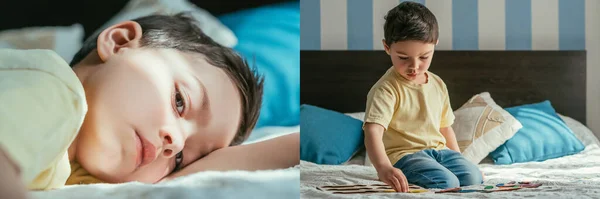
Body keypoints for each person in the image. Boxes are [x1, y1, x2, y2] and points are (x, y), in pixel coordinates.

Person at [0, 13, 299, 199]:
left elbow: (199, 175)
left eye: (181, 158)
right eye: (180, 102)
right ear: (119, 42)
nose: (175, 142)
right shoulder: (51, 86)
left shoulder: (80, 168)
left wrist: (300, 143)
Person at [362, 2, 482, 192]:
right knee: (448, 183)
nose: (414, 66)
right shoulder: (386, 89)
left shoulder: (438, 84)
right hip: (405, 156)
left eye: (424, 57)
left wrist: (458, 158)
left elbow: (445, 127)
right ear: (387, 47)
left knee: (473, 177)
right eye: (403, 57)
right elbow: (372, 131)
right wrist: (383, 167)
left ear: (435, 44)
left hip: (440, 152)